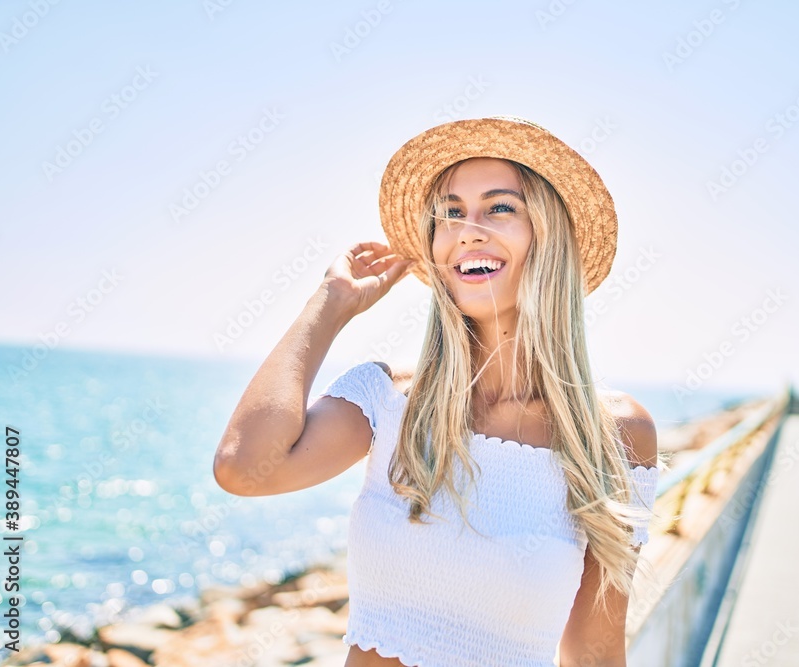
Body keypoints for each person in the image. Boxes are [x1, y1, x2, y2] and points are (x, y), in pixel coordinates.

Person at [213, 116, 667, 666]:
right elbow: (244, 467)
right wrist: (330, 305)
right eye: (450, 213)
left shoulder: (616, 433)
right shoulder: (386, 399)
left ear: (551, 239)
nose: (466, 229)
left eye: (500, 207)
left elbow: (595, 652)